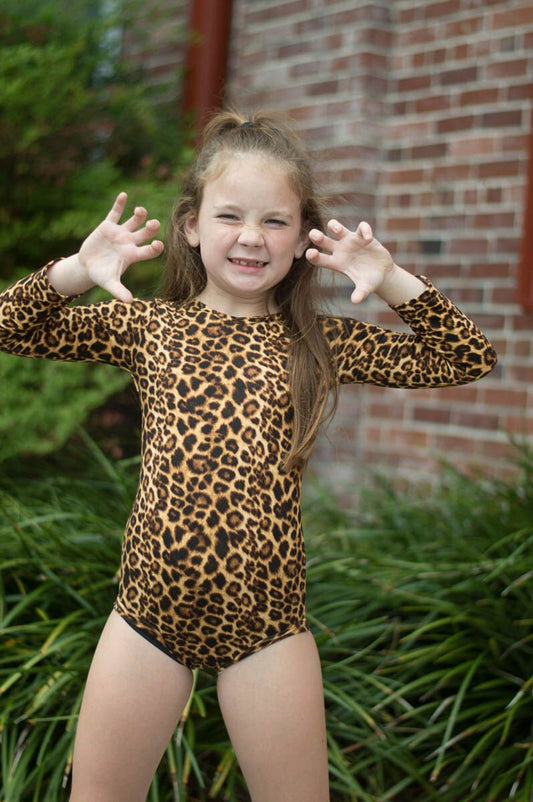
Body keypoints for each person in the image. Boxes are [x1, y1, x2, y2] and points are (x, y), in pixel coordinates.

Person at [0, 109, 497, 802]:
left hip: (267, 628)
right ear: (191, 226)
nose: (251, 236)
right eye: (229, 215)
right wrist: (77, 270)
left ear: (302, 238)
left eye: (274, 221)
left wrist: (388, 279)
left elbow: (465, 356)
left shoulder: (318, 342)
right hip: (146, 618)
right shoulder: (150, 327)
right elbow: (11, 326)